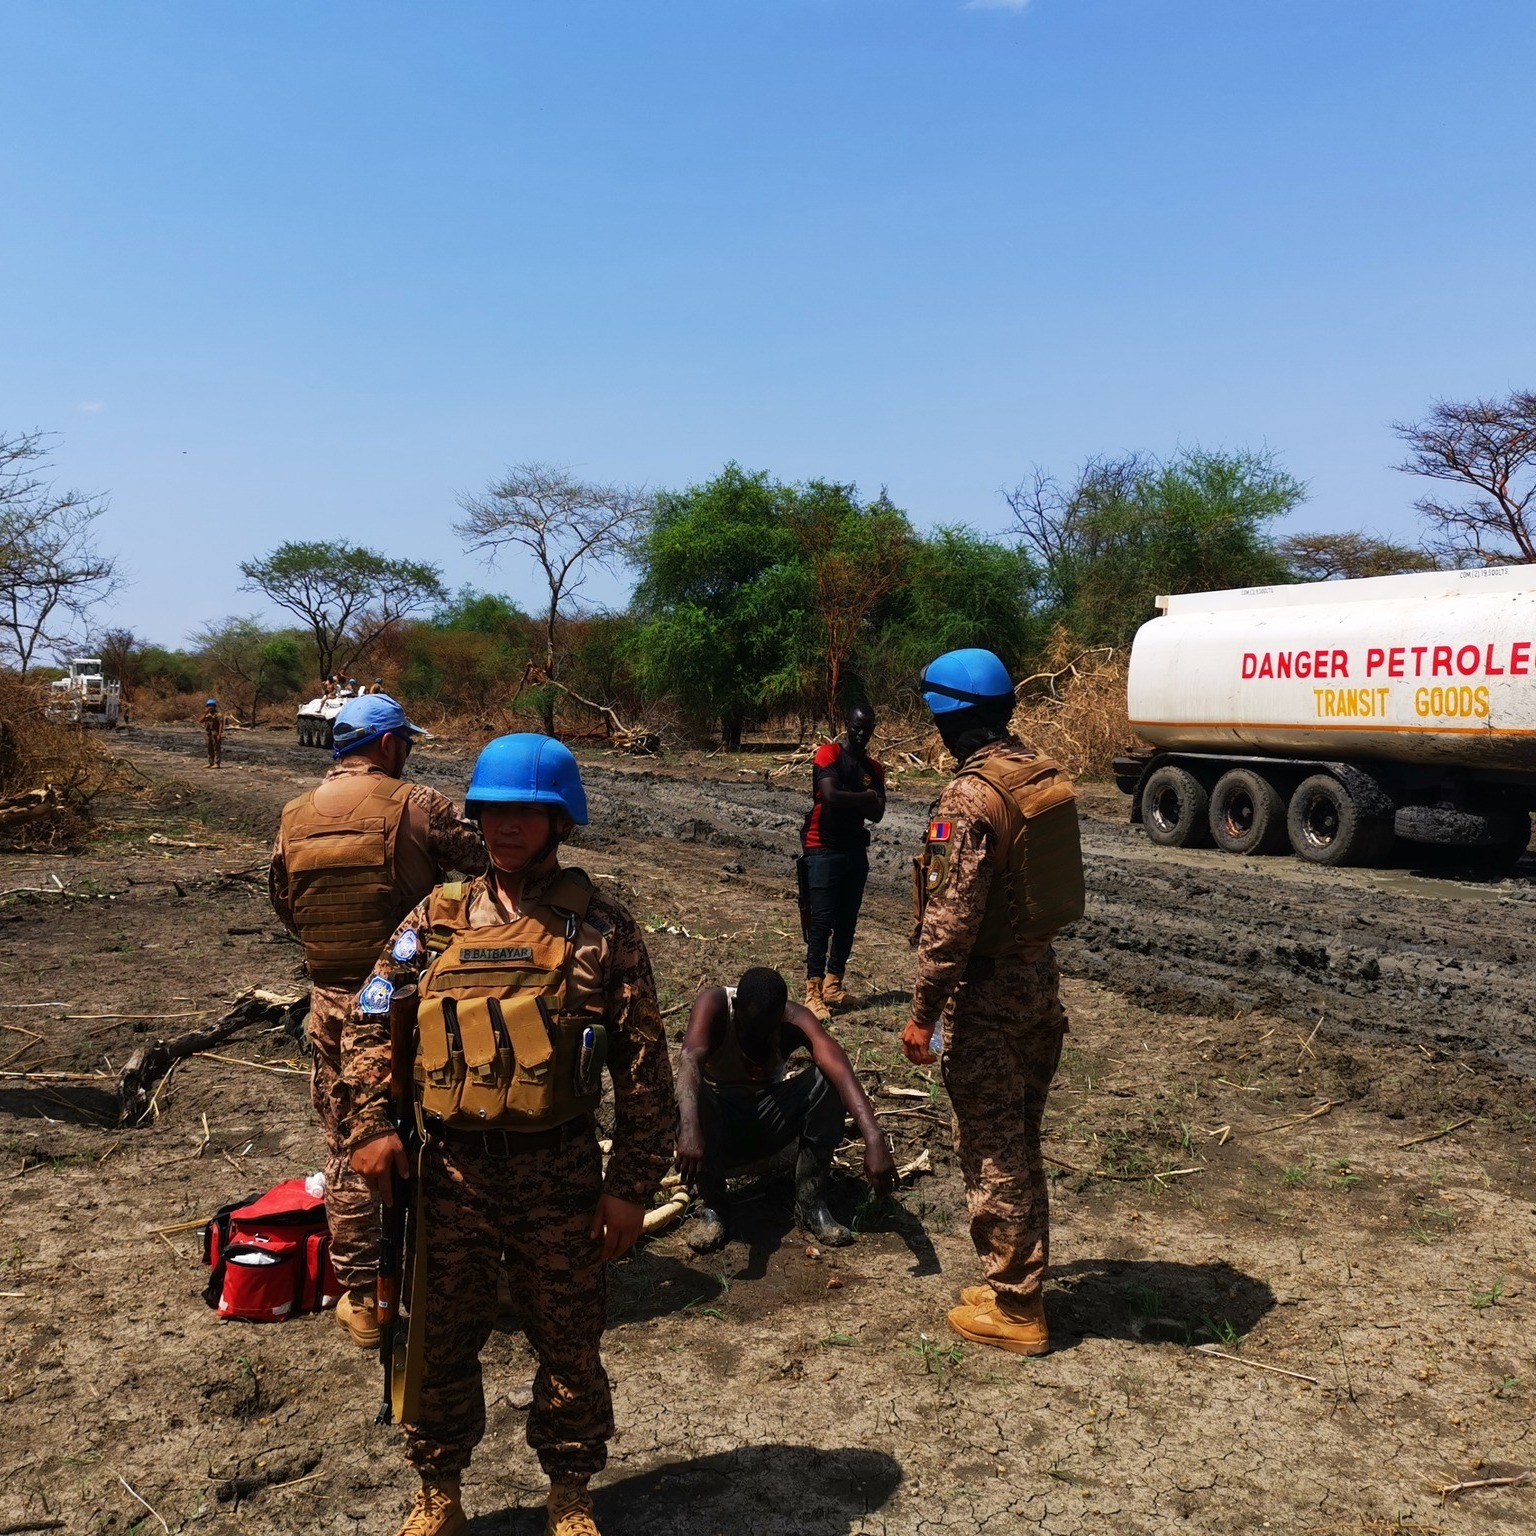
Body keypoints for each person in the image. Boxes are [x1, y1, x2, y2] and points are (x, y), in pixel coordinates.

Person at [344, 734, 677, 1536]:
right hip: (449, 1174)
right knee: (438, 1343)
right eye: (493, 810)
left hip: (557, 1172)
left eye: (526, 812)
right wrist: (372, 1125)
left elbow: (644, 1067)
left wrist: (630, 1189)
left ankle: (570, 1491)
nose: (505, 826)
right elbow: (369, 1020)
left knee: (569, 1343)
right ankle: (440, 1493)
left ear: (561, 821)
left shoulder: (600, 928)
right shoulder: (435, 917)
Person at [268, 693, 486, 1351]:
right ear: (390, 745)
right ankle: (453, 1282)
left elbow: (285, 904)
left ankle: (364, 1297)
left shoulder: (293, 816)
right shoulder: (419, 804)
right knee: (444, 1134)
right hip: (410, 1006)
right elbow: (488, 864)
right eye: (406, 744)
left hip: (332, 1006)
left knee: (349, 1144)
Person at [900, 649, 1084, 1357]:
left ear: (949, 720)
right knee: (1020, 1139)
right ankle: (1016, 1279)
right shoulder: (1039, 773)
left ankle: (1017, 1308)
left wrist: (923, 1014)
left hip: (986, 997)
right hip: (1039, 983)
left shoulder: (969, 798)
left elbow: (950, 924)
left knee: (992, 1150)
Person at [674, 966, 895, 1252]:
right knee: (693, 1094)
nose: (758, 1039)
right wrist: (689, 1131)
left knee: (826, 1080)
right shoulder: (714, 1005)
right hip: (717, 1129)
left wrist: (874, 1137)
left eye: (767, 1030)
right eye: (750, 1028)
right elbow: (689, 1059)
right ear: (736, 1007)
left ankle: (811, 1204)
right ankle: (714, 1208)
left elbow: (840, 1069)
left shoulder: (795, 1019)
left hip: (770, 1121)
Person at [799, 705, 885, 1020]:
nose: (862, 733)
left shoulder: (874, 768)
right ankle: (813, 990)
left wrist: (855, 797)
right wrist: (865, 796)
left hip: (854, 850)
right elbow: (829, 795)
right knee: (821, 921)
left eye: (867, 728)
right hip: (822, 847)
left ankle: (834, 984)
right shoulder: (828, 754)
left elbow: (878, 813)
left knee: (847, 920)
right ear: (847, 724)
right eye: (857, 727)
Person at [200, 698, 223, 768]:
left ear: (215, 706)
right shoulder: (207, 715)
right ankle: (210, 763)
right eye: (209, 706)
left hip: (215, 733)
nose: (210, 707)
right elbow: (200, 721)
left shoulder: (218, 715)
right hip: (209, 733)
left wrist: (219, 734)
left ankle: (217, 763)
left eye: (212, 705)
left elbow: (221, 724)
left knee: (216, 748)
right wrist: (206, 714)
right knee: (210, 748)